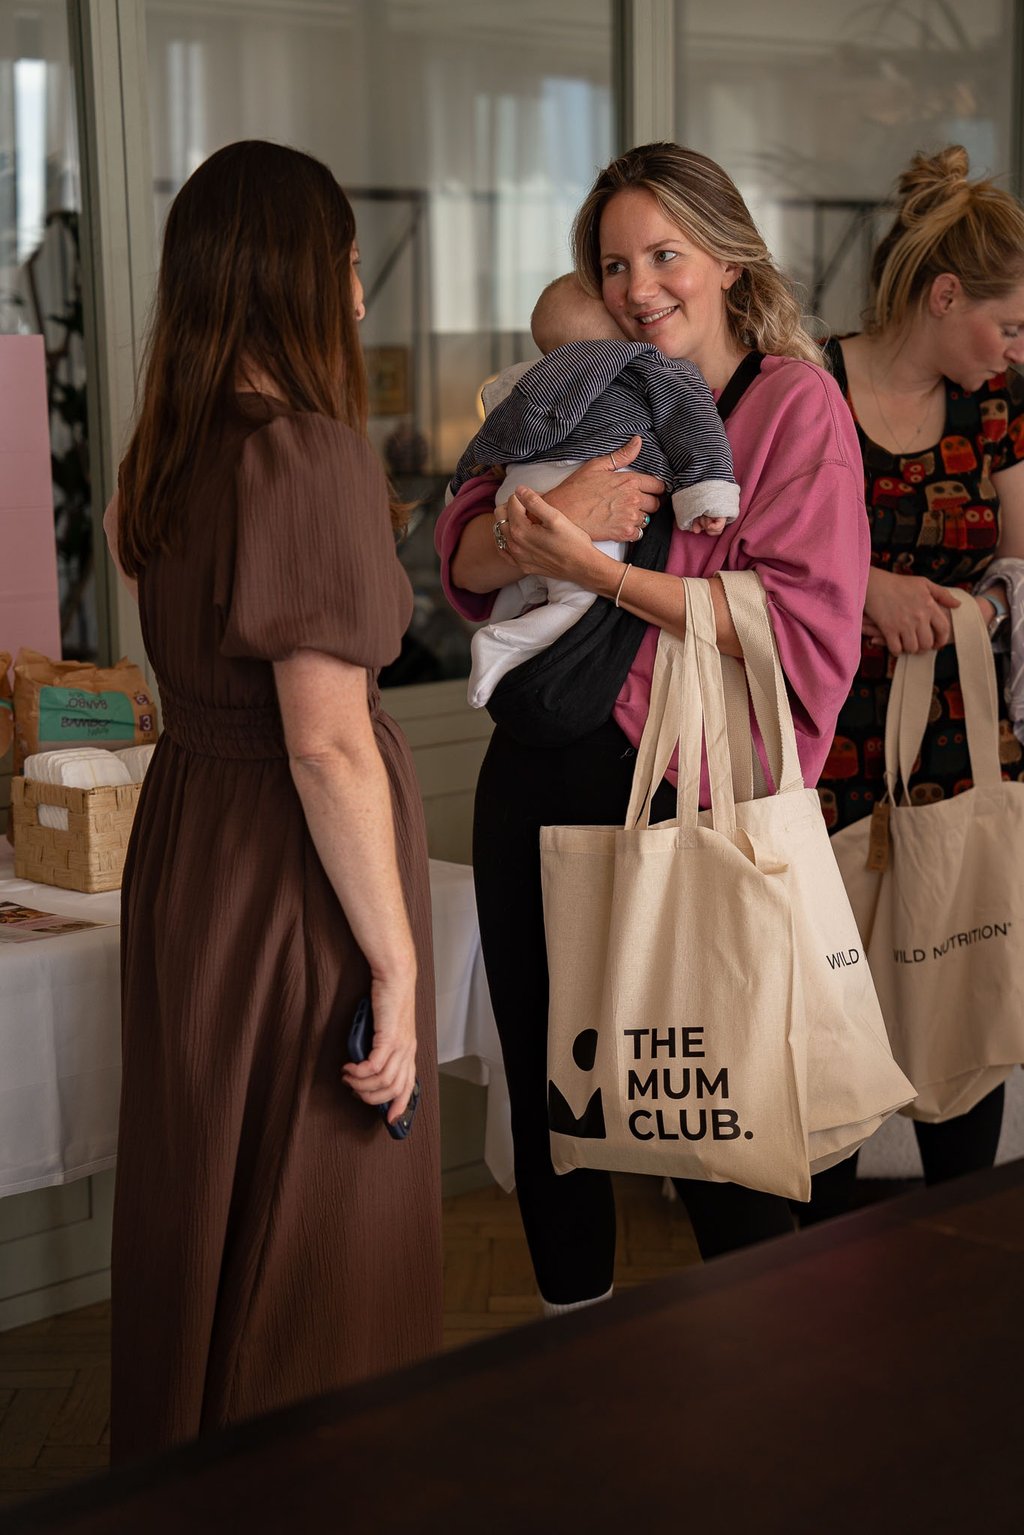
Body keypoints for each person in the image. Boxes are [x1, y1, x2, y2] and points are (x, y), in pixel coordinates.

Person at [435, 141, 869, 1299]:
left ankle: (756, 1412)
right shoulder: (580, 375)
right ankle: (574, 1351)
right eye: (616, 262)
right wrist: (544, 517)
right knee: (552, 1104)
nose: (639, 288)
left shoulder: (793, 406)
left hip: (689, 790)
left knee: (716, 1106)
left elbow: (795, 618)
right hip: (535, 771)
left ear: (729, 259)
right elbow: (469, 543)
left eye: (665, 255)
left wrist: (594, 562)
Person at [103, 140, 442, 1459]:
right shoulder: (302, 454)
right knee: (317, 1237)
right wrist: (398, 961)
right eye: (349, 269)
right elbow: (328, 746)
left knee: (205, 1195)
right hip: (293, 874)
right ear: (297, 282)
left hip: (195, 851)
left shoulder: (170, 451)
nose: (361, 302)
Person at [808, 145, 1024, 1220]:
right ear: (945, 296)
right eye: (1010, 322)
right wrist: (868, 591)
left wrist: (974, 613)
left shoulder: (1001, 408)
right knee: (826, 1044)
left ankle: (958, 1282)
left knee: (956, 1026)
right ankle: (817, 1314)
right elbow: (747, 559)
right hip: (820, 758)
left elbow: (1023, 570)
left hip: (961, 751)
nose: (1018, 347)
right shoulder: (803, 388)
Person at [453, 274, 738, 708]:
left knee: (532, 583)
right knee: (577, 600)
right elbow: (693, 427)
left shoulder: (526, 378)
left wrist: (463, 477)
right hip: (600, 481)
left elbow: (489, 441)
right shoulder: (649, 365)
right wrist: (708, 495)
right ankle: (505, 643)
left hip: (518, 489)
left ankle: (513, 612)